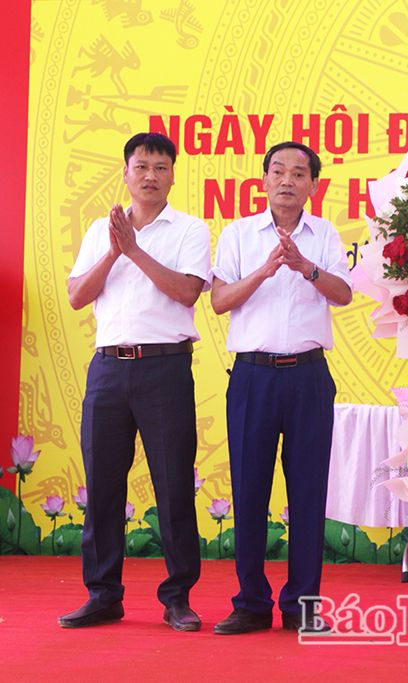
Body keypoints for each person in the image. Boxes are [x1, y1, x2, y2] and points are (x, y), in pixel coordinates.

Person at [61, 132, 210, 631]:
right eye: (141, 165)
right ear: (125, 172)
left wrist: (135, 251)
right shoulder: (97, 230)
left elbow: (187, 292)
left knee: (173, 485)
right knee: (103, 484)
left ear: (172, 175)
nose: (150, 175)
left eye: (160, 167)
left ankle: (177, 597)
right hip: (107, 369)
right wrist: (113, 250)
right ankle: (103, 594)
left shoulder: (190, 229)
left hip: (164, 368)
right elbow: (78, 296)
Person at [210, 142, 352, 634]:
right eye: (278, 171)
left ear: (313, 184)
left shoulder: (326, 234)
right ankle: (250, 602)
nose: (287, 180)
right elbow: (219, 301)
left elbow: (344, 292)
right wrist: (266, 270)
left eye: (298, 173)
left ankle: (302, 607)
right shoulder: (238, 235)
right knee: (249, 489)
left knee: (308, 492)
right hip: (252, 376)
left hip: (309, 376)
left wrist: (304, 267)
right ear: (264, 180)